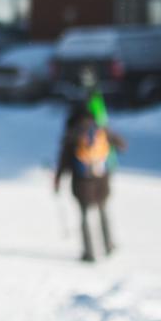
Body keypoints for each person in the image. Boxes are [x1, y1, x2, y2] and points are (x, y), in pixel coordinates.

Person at [53, 105, 127, 262]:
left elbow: (63, 162)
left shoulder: (72, 135)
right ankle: (108, 245)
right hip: (102, 181)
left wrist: (58, 180)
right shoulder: (101, 130)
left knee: (85, 216)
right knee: (103, 212)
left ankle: (89, 253)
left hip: (82, 184)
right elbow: (122, 145)